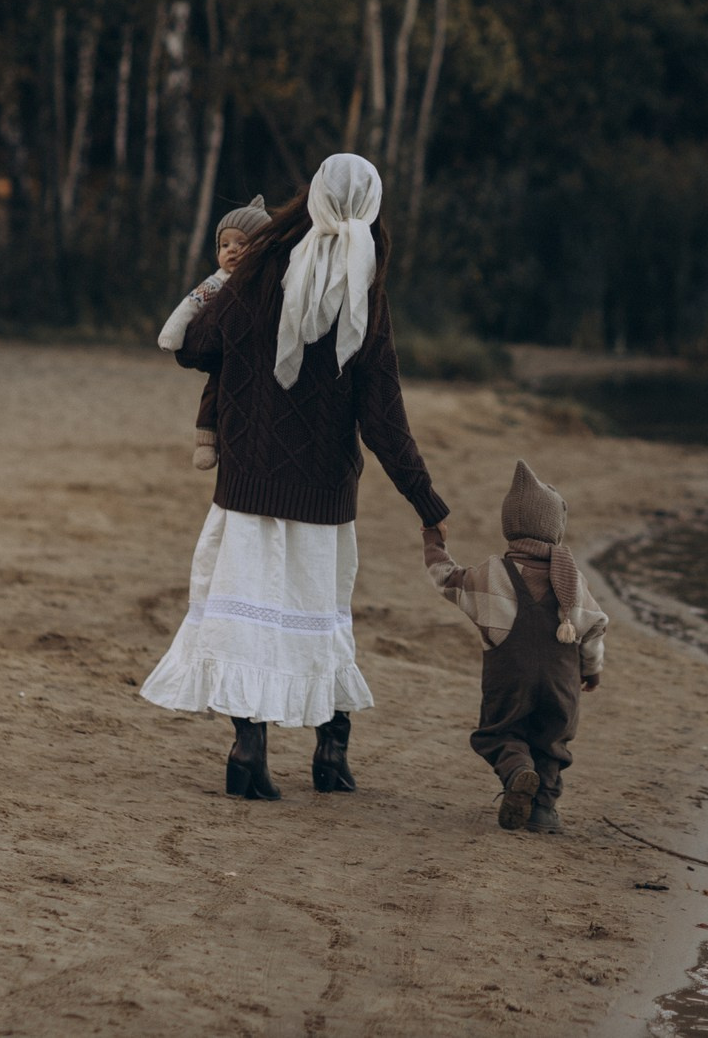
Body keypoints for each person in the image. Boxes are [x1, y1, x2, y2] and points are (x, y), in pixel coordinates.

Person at [141, 155, 450, 799]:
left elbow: (194, 347)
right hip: (323, 494)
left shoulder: (255, 274)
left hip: (248, 485)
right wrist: (427, 502)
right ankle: (330, 759)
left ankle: (248, 752)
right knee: (320, 619)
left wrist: (223, 290)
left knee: (249, 617)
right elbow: (383, 417)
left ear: (310, 201)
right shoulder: (365, 290)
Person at [424, 459, 609, 833]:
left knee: (499, 733)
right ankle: (543, 812)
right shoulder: (573, 580)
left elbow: (446, 578)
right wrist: (591, 669)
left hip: (509, 681)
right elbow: (594, 627)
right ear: (555, 529)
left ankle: (517, 771)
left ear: (510, 527)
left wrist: (434, 538)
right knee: (552, 744)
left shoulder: (491, 574)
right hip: (562, 683)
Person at [157, 197, 274, 470]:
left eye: (241, 243)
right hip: (227, 356)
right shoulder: (216, 283)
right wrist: (172, 335)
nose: (232, 250)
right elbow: (191, 305)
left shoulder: (272, 282)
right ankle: (206, 440)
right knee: (214, 389)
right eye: (224, 245)